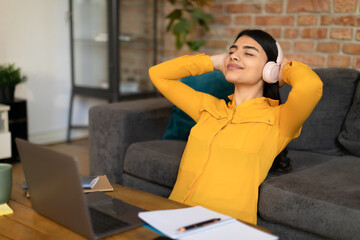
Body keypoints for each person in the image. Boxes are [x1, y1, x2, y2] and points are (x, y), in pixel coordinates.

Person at [148, 29, 323, 225]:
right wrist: (213, 61)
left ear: (269, 69)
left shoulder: (280, 120)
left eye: (248, 53)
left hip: (224, 227)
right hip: (174, 217)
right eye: (232, 51)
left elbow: (311, 86)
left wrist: (284, 69)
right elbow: (158, 74)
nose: (235, 56)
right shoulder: (208, 108)